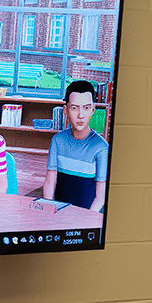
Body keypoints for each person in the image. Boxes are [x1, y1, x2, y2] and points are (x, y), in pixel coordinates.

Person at [43, 79, 108, 212]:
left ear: (93, 110)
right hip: (60, 213)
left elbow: (101, 197)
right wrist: (48, 208)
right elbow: (50, 182)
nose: (80, 115)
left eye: (86, 108)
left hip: (89, 216)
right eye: (74, 108)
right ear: (65, 110)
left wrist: (85, 221)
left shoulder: (101, 147)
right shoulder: (57, 141)